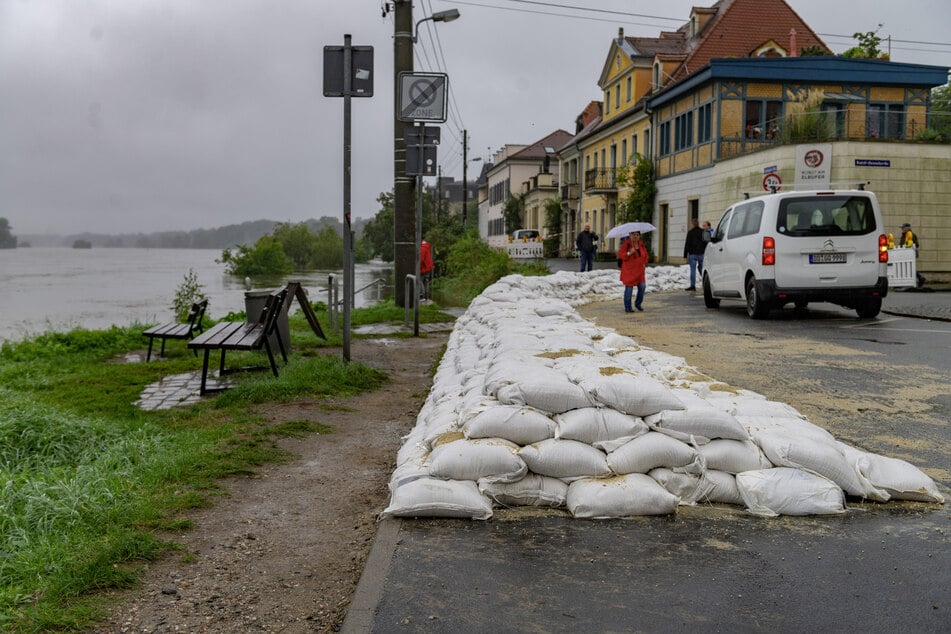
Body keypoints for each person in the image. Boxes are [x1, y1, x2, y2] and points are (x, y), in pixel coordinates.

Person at [618, 230, 649, 312]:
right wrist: (629, 253)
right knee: (629, 289)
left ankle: (638, 304)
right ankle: (628, 307)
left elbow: (645, 255)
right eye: (634, 234)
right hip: (629, 271)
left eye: (637, 234)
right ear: (630, 235)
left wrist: (645, 263)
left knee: (642, 287)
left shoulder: (641, 244)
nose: (635, 236)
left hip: (639, 271)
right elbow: (621, 255)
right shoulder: (626, 244)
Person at [898, 223, 926, 287]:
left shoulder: (912, 235)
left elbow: (916, 245)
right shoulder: (903, 235)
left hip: (910, 253)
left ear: (908, 228)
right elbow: (901, 244)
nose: (902, 229)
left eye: (903, 228)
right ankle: (920, 277)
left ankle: (920, 277)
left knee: (909, 267)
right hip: (904, 253)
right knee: (908, 267)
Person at [683, 219, 706, 291]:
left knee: (692, 270)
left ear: (692, 224)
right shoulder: (703, 232)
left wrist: (685, 254)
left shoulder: (690, 233)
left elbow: (687, 243)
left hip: (692, 254)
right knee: (702, 269)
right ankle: (705, 284)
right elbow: (706, 242)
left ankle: (692, 286)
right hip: (701, 253)